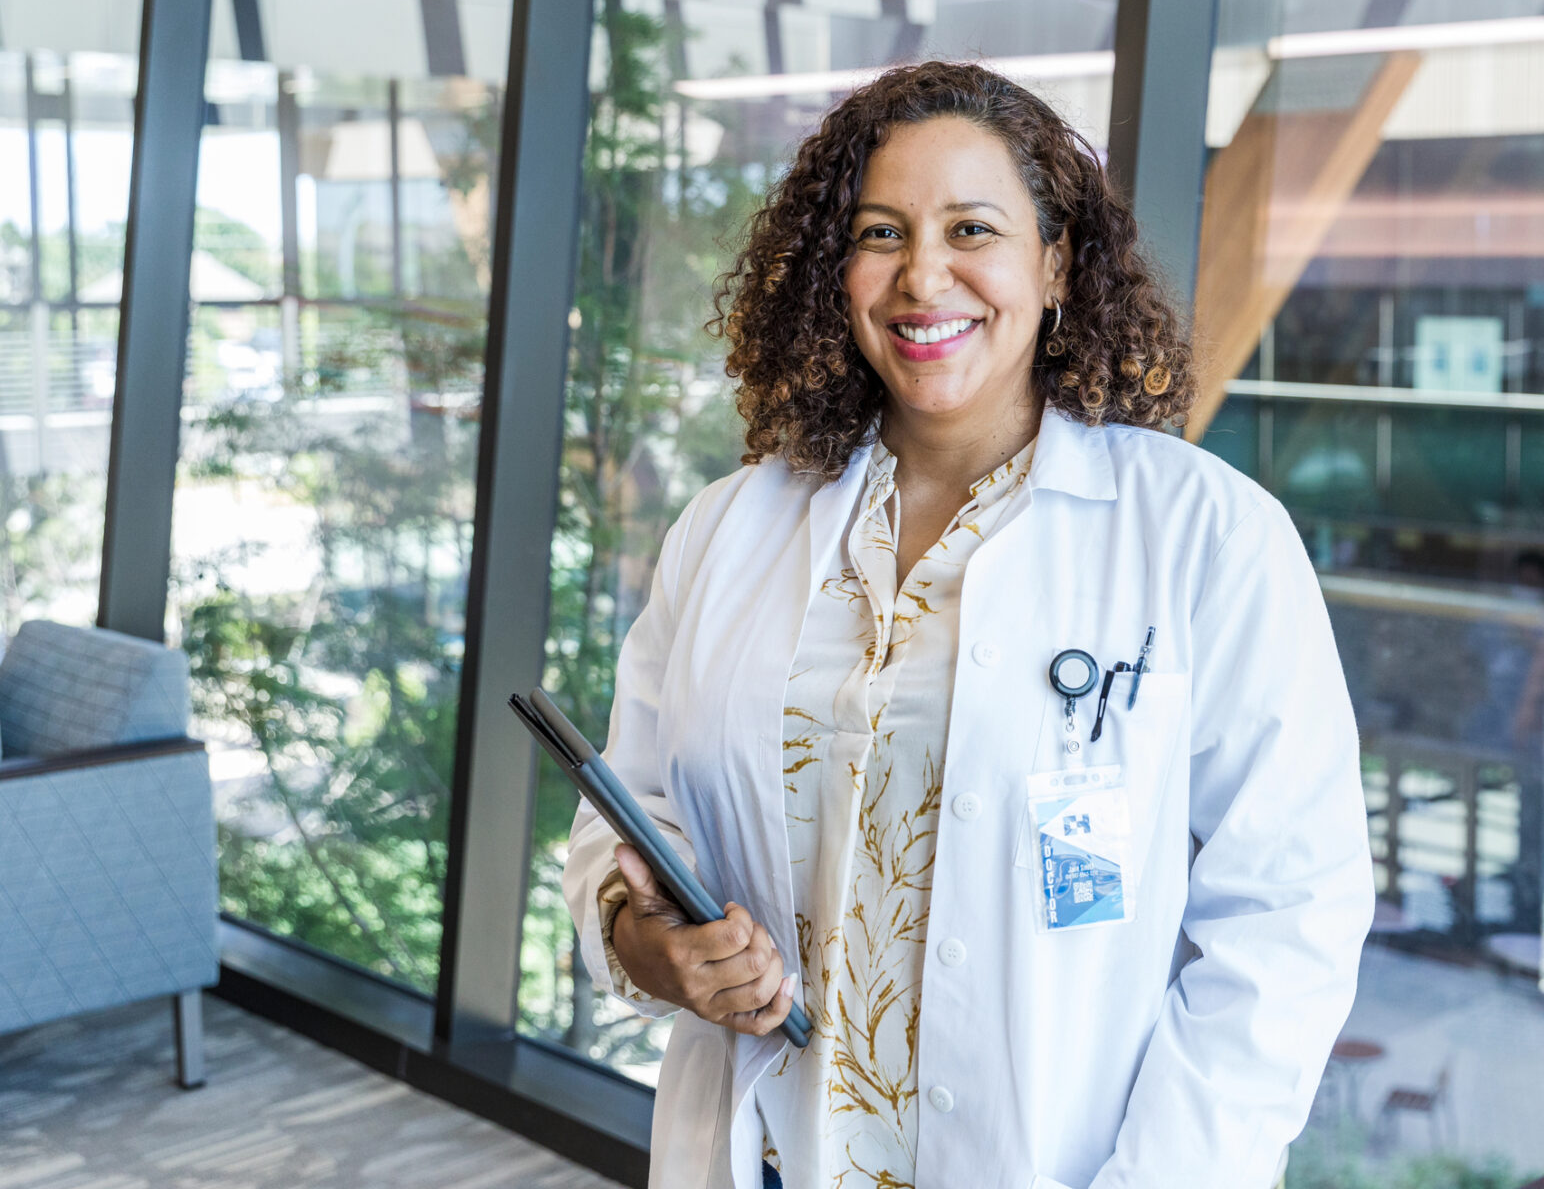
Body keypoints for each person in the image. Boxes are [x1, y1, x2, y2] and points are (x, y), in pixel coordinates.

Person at [563, 60, 1373, 1189]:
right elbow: (630, 812)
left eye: (972, 228)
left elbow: (1291, 913)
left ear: (1055, 263)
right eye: (881, 231)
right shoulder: (729, 526)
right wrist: (651, 944)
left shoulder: (1205, 535)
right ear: (834, 271)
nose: (922, 276)